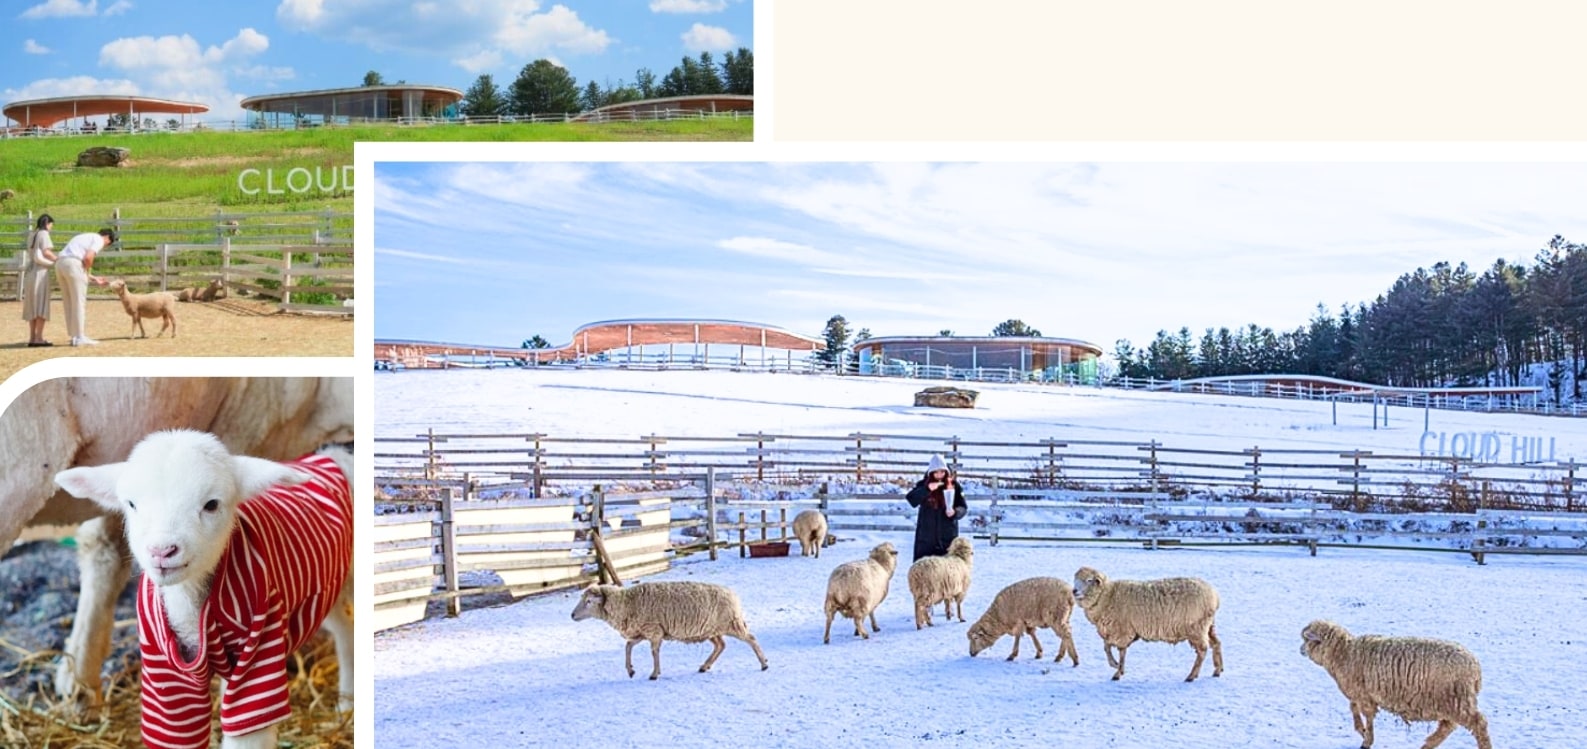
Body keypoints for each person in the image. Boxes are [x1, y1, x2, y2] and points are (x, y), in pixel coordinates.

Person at [54, 227, 114, 346]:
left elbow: (76, 261)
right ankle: (80, 336)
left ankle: (74, 336)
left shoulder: (83, 237)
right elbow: (88, 258)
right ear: (107, 238)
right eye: (108, 244)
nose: (105, 246)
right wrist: (86, 270)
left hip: (60, 264)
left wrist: (93, 277)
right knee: (79, 302)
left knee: (69, 302)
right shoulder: (98, 239)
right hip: (73, 264)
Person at [906, 454, 967, 561]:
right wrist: (927, 489)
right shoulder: (923, 485)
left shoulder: (954, 486)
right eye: (936, 472)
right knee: (924, 571)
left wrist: (955, 512)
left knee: (948, 572)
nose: (939, 475)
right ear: (931, 472)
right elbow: (911, 499)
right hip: (926, 539)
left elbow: (963, 507)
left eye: (942, 471)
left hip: (947, 538)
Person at [21, 214, 58, 346]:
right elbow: (46, 252)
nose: (51, 228)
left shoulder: (32, 234)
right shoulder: (44, 234)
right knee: (41, 305)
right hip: (40, 272)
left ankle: (32, 337)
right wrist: (58, 259)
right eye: (51, 225)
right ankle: (39, 337)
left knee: (32, 305)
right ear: (47, 223)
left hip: (30, 272)